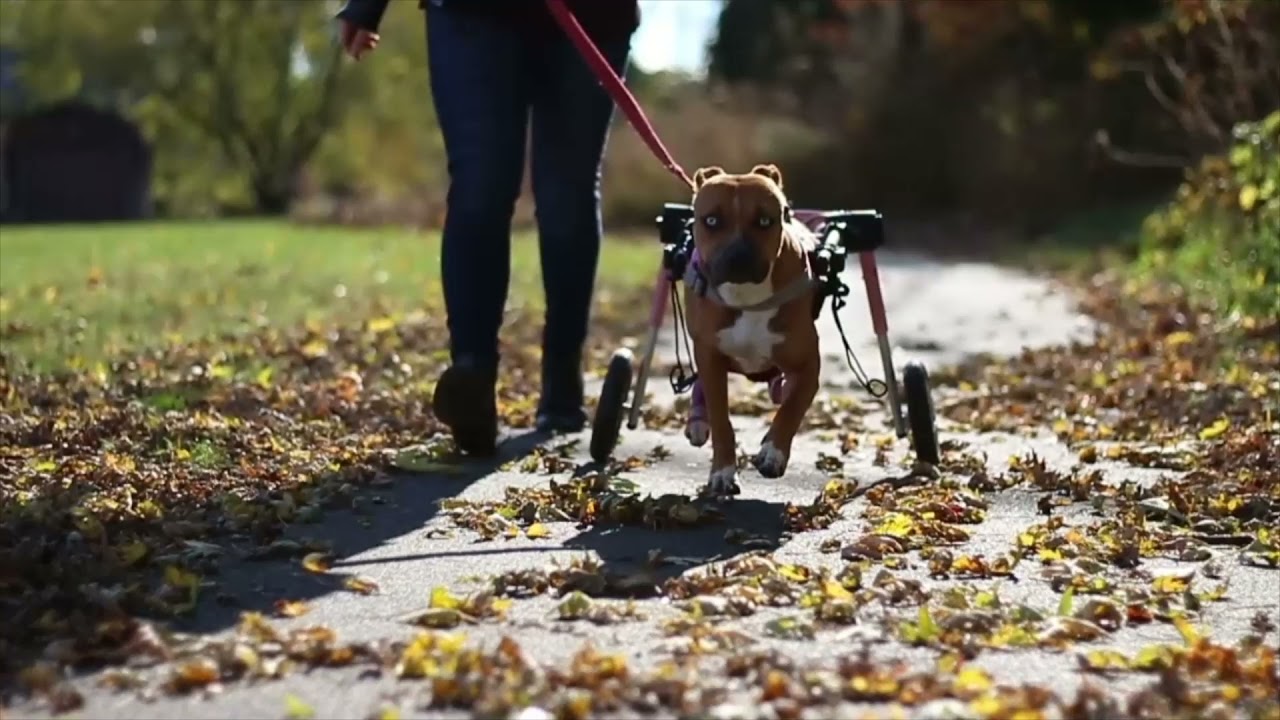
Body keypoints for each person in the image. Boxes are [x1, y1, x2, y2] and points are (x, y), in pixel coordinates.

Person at [335, 0, 640, 456]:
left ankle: (562, 378)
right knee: (481, 181)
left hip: (591, 13)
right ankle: (472, 376)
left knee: (566, 194)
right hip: (471, 15)